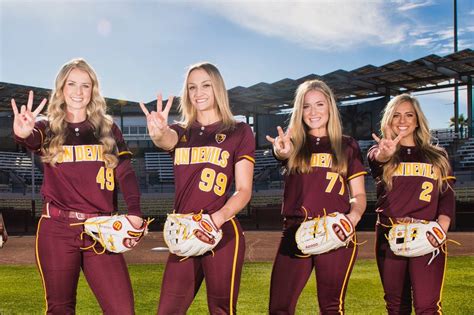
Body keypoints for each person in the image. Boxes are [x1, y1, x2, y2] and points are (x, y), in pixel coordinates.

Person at [11, 58, 144, 314]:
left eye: (85, 85)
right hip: (57, 229)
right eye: (71, 84)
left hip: (101, 229)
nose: (78, 91)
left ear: (93, 90)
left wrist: (136, 213)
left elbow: (125, 173)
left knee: (122, 309)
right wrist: (23, 132)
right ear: (61, 89)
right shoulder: (47, 128)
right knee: (60, 308)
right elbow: (29, 137)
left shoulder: (107, 128)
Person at [139, 62, 255, 314]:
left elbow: (244, 190)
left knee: (221, 310)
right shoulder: (180, 131)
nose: (198, 92)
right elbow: (165, 139)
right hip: (184, 231)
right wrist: (158, 132)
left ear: (218, 89)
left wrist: (216, 219)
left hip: (222, 230)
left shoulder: (239, 130)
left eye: (205, 85)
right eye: (192, 87)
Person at [266, 79, 367, 314]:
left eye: (319, 104)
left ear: (330, 107)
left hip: (335, 230)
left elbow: (359, 193)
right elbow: (281, 152)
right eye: (306, 106)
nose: (313, 112)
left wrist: (352, 217)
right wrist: (281, 151)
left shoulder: (347, 145)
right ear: (299, 111)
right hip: (296, 229)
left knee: (331, 308)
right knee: (279, 308)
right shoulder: (293, 143)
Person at [368, 94, 455, 314]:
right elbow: (377, 159)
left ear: (417, 120)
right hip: (390, 234)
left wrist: (439, 230)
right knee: (396, 306)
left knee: (427, 306)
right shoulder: (380, 152)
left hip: (428, 235)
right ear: (388, 121)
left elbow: (446, 198)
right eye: (396, 115)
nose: (402, 120)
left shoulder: (437, 156)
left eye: (409, 114)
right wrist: (384, 154)